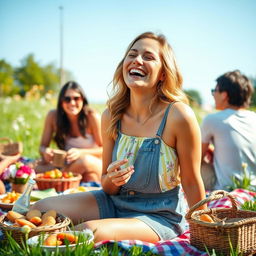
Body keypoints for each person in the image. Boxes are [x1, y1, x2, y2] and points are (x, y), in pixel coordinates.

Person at [32, 32, 206, 243]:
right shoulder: (111, 116)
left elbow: (190, 180)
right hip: (113, 201)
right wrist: (113, 180)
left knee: (86, 232)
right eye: (132, 54)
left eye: (148, 57)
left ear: (163, 74)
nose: (137, 60)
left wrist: (205, 226)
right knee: (39, 209)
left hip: (159, 215)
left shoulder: (178, 115)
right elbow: (105, 183)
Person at [36, 81, 103, 183]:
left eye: (76, 98)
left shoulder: (92, 116)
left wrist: (80, 152)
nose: (72, 103)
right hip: (68, 165)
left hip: (93, 163)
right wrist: (46, 152)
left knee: (84, 161)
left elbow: (105, 150)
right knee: (32, 166)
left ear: (83, 100)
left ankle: (55, 182)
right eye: (67, 99)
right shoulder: (53, 116)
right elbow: (42, 147)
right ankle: (63, 181)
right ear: (61, 102)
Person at [201, 70, 256, 190]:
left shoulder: (213, 119)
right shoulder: (254, 118)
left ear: (224, 95)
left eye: (214, 91)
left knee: (191, 161)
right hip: (252, 191)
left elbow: (197, 156)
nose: (213, 95)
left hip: (227, 191)